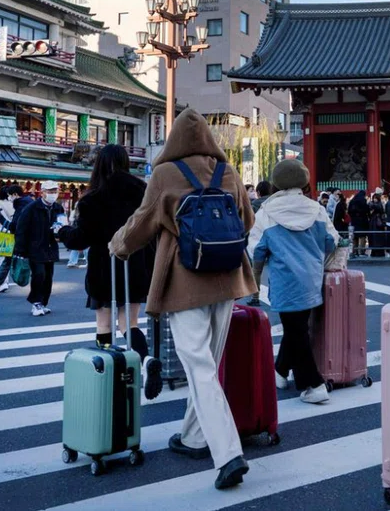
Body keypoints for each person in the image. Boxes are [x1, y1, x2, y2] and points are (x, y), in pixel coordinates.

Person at [110, 108, 256, 491]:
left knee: (200, 368)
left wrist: (118, 245)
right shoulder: (229, 172)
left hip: (185, 281)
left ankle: (227, 455)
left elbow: (142, 223)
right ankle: (193, 437)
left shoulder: (164, 174)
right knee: (206, 364)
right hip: (228, 279)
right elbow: (248, 222)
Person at [57, 144, 162, 398]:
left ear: (99, 165)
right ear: (126, 162)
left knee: (104, 321)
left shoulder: (94, 198)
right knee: (130, 322)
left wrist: (62, 232)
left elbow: (81, 238)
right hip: (137, 265)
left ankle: (105, 372)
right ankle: (146, 361)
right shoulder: (143, 192)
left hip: (104, 267)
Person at [248, 159, 338, 404]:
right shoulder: (316, 209)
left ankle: (314, 384)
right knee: (297, 327)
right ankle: (279, 371)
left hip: (285, 280)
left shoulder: (267, 213)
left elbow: (255, 249)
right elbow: (332, 241)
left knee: (296, 330)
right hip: (312, 278)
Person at [14, 181, 63, 316]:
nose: (53, 194)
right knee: (39, 275)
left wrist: (63, 233)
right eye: (50, 191)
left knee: (48, 277)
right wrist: (20, 250)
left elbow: (63, 225)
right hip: (34, 247)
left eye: (55, 191)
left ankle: (43, 303)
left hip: (50, 247)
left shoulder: (58, 208)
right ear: (42, 193)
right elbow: (21, 229)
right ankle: (36, 302)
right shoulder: (31, 208)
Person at [347, 190, 369, 256]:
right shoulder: (363, 200)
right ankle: (361, 251)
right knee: (362, 236)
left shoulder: (352, 201)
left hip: (354, 220)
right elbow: (366, 210)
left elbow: (349, 211)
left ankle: (354, 251)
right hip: (362, 220)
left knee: (355, 236)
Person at [368, 192, 387, 258]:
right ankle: (374, 251)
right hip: (375, 223)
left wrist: (371, 204)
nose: (374, 199)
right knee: (374, 237)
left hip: (377, 223)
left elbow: (379, 209)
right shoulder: (376, 204)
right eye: (374, 198)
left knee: (377, 237)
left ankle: (378, 252)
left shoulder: (379, 205)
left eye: (375, 198)